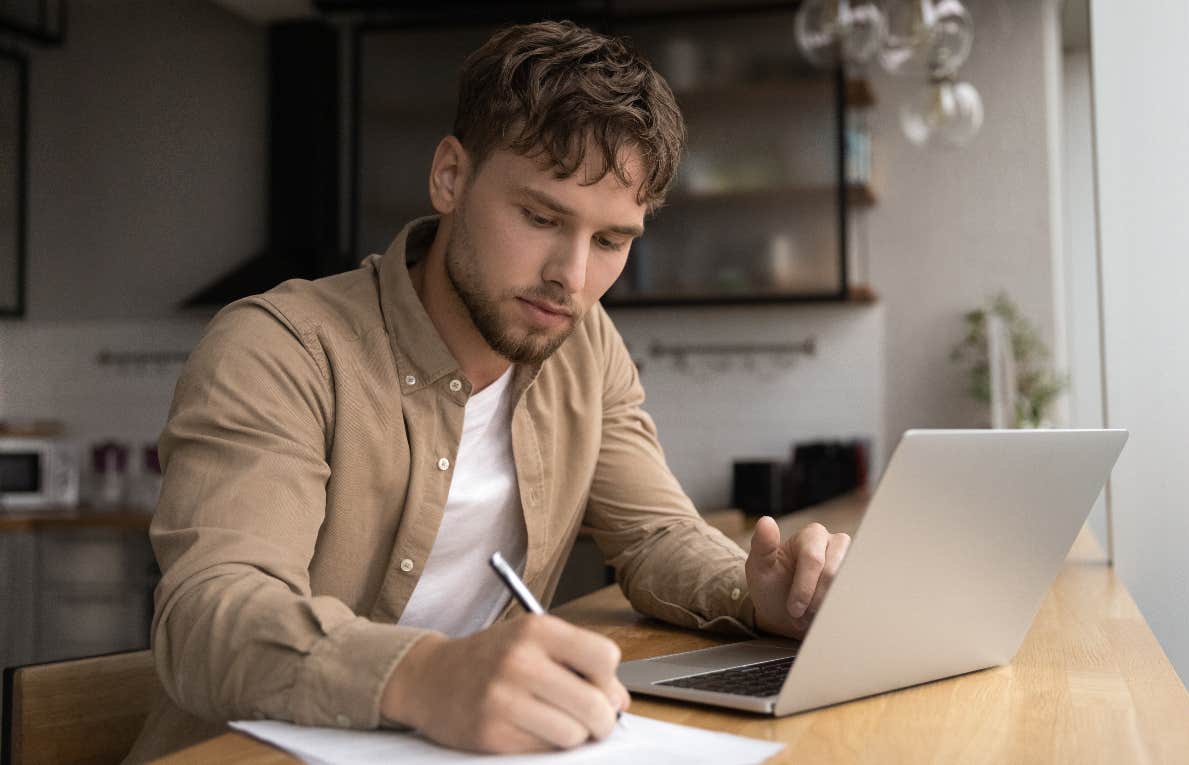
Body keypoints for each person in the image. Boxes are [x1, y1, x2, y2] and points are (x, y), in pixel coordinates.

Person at [125, 20, 851, 762]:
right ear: (450, 176)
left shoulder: (585, 341)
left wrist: (754, 592)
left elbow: (657, 535)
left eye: (611, 241)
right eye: (540, 217)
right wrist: (424, 671)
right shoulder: (280, 347)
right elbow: (208, 616)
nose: (571, 278)